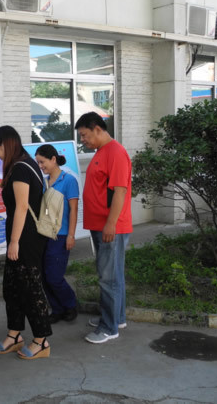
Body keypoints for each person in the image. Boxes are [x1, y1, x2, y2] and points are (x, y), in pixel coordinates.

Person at [0, 126, 52, 360]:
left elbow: (22, 207)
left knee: (30, 287)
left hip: (26, 238)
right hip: (21, 236)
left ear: (5, 145)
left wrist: (14, 242)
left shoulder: (20, 168)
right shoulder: (24, 163)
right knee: (12, 287)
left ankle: (41, 340)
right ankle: (14, 335)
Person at [75, 112, 132, 344]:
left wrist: (111, 224)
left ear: (97, 129)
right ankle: (117, 318)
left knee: (108, 278)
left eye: (84, 135)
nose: (82, 140)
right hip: (100, 224)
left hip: (110, 227)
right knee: (113, 274)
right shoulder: (102, 151)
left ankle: (109, 328)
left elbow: (120, 191)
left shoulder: (116, 153)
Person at [34, 145, 79, 324]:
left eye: (42, 162)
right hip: (44, 234)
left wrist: (71, 235)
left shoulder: (69, 181)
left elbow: (74, 210)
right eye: (38, 163)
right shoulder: (44, 182)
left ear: (53, 159)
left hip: (61, 235)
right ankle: (57, 309)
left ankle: (71, 304)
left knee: (54, 276)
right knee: (44, 277)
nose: (40, 166)